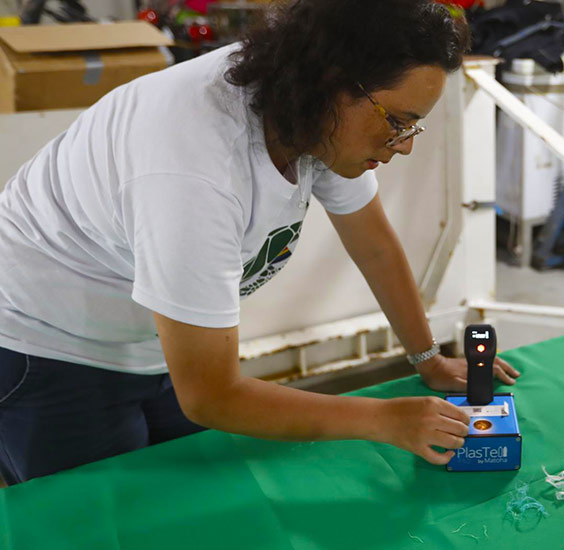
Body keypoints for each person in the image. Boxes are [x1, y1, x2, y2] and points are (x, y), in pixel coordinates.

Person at [0, 0, 519, 486]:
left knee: (192, 497)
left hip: (148, 337)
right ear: (335, 84)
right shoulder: (195, 166)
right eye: (398, 122)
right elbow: (210, 395)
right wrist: (384, 419)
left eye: (414, 127)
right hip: (47, 341)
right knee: (97, 521)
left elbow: (374, 244)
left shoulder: (310, 109)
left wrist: (427, 358)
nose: (403, 146)